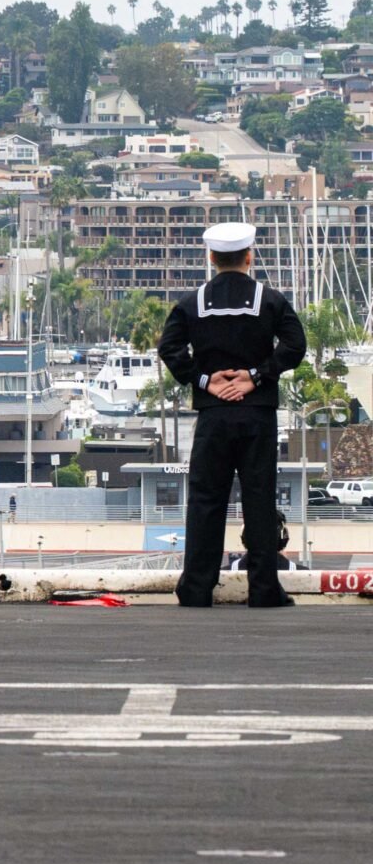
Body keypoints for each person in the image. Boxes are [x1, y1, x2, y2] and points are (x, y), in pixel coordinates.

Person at [156, 221, 307, 608]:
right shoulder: (271, 301)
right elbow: (295, 344)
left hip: (213, 415)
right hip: (257, 414)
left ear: (211, 258)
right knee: (259, 500)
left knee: (206, 500)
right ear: (248, 256)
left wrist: (206, 380)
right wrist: (255, 376)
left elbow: (169, 349)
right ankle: (264, 590)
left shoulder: (191, 304)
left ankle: (195, 589)